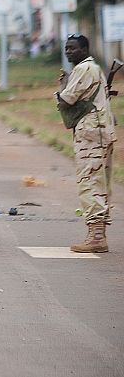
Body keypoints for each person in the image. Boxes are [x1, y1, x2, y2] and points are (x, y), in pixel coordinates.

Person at [57, 34, 116, 253]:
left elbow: (66, 100)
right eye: (66, 48)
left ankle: (97, 237)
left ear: (85, 49)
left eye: (73, 48)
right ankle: (98, 234)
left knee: (89, 182)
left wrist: (63, 86)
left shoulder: (83, 69)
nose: (68, 52)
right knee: (99, 183)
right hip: (99, 132)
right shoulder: (93, 69)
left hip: (91, 135)